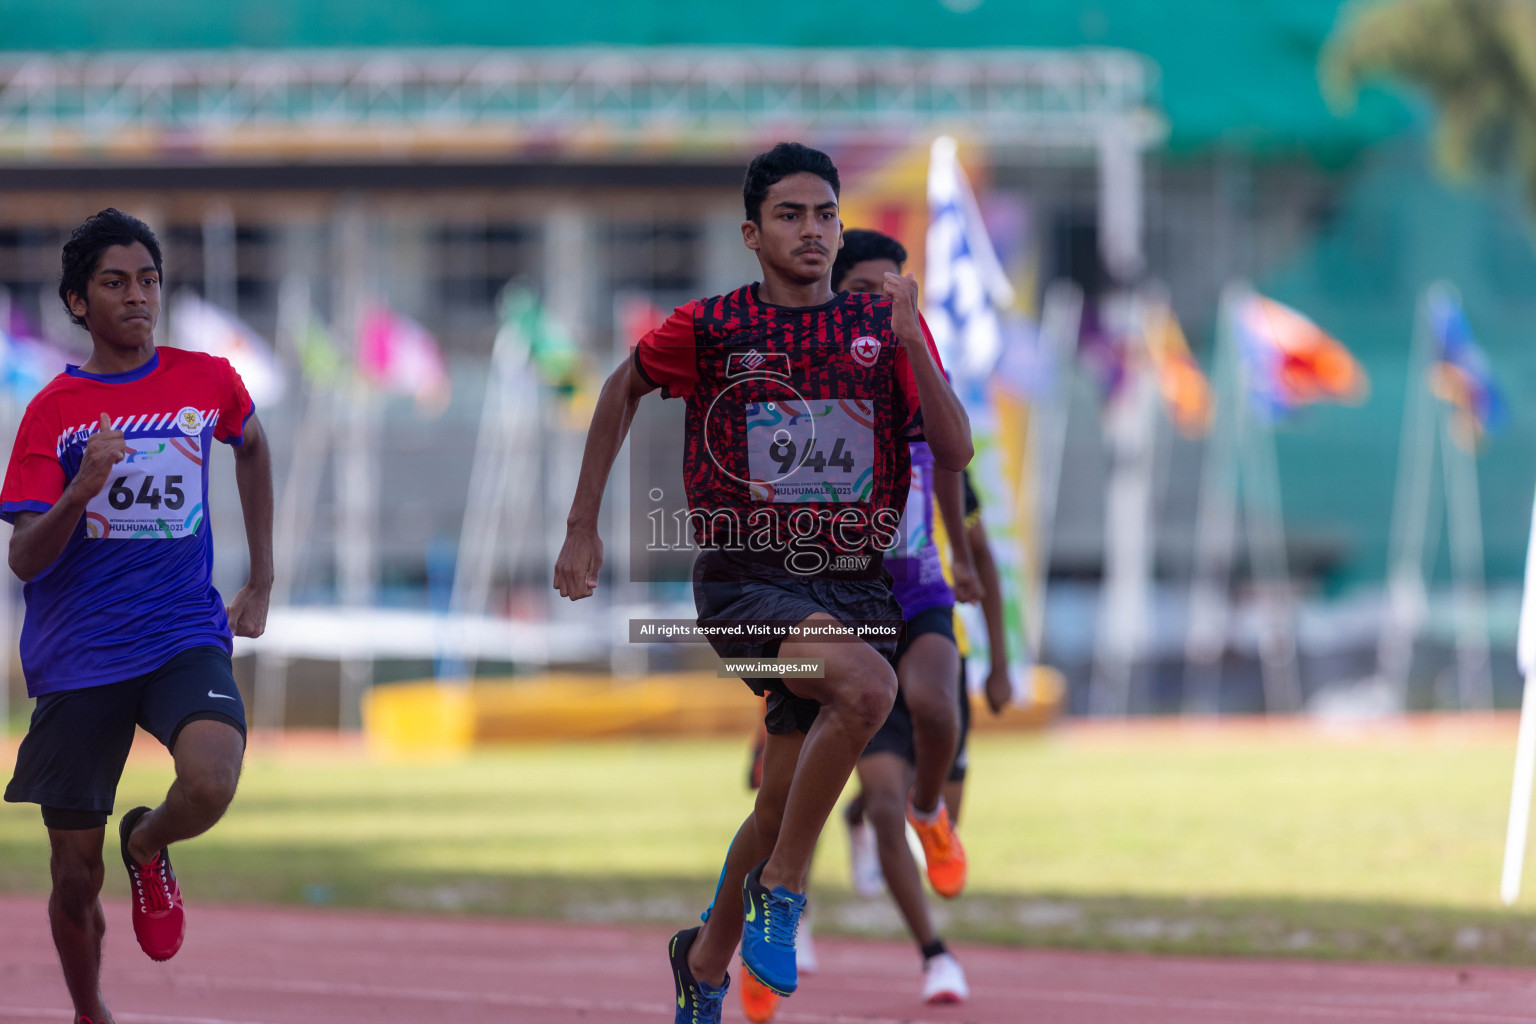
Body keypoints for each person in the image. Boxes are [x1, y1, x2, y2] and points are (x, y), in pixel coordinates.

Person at [552, 144, 970, 1023]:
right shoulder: (710, 329)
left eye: (826, 214)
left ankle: (703, 962)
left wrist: (911, 344)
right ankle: (784, 890)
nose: (812, 230)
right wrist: (582, 525)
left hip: (855, 588)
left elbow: (955, 447)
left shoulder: (881, 329)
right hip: (744, 581)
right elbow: (620, 389)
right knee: (868, 686)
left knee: (777, 802)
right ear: (752, 233)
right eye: (791, 215)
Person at [1, 209, 273, 1024]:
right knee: (74, 880)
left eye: (147, 281)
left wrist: (261, 579)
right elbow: (24, 558)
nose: (137, 297)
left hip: (180, 631)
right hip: (81, 657)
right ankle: (89, 1009)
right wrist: (80, 491)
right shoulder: (53, 413)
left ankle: (148, 842)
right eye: (115, 283)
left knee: (212, 778)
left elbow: (252, 447)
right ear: (78, 302)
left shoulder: (208, 380)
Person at [737, 229, 980, 1021]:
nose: (891, 296)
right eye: (874, 287)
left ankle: (927, 813)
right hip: (839, 598)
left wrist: (961, 555)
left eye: (898, 284)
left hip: (915, 586)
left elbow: (949, 458)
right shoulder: (819, 360)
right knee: (777, 804)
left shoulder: (914, 351)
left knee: (937, 707)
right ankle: (762, 932)